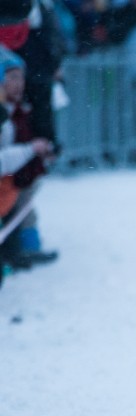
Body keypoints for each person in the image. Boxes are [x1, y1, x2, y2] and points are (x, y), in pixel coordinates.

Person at [0, 45, 57, 270]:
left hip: (10, 182)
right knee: (18, 189)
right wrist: (30, 150)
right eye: (12, 77)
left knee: (23, 190)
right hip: (7, 181)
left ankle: (21, 250)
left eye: (21, 78)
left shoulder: (18, 109)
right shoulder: (4, 114)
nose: (19, 83)